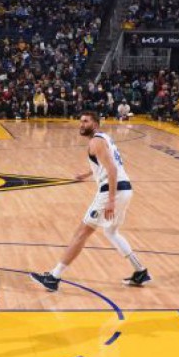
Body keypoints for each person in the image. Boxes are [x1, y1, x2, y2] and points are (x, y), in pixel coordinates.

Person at [30, 110, 150, 291]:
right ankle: (140, 271)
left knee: (82, 232)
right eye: (80, 121)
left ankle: (54, 277)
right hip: (125, 190)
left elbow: (112, 170)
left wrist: (110, 200)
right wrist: (87, 174)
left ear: (95, 124)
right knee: (111, 232)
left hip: (113, 191)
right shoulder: (105, 138)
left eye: (85, 121)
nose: (81, 124)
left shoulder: (96, 142)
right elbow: (109, 164)